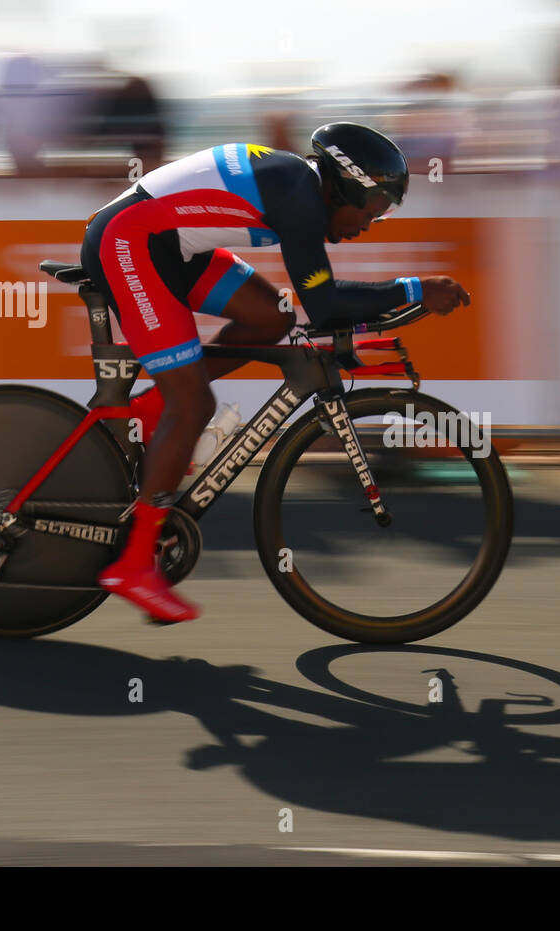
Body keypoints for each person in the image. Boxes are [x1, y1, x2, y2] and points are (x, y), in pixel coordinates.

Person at [79, 122, 471, 624]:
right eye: (372, 210)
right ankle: (134, 563)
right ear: (347, 186)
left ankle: (154, 410)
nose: (370, 224)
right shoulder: (299, 199)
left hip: (172, 246)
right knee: (195, 405)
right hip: (131, 244)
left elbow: (315, 307)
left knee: (272, 318)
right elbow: (325, 302)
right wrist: (416, 288)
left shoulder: (300, 186)